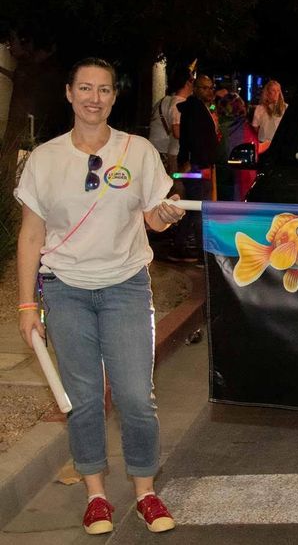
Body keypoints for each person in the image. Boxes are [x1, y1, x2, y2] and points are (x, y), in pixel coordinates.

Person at [14, 57, 185, 536]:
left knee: (136, 396)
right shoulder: (44, 159)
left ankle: (146, 491)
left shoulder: (138, 151)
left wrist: (167, 216)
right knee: (83, 399)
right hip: (66, 292)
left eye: (104, 89)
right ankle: (95, 495)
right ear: (69, 93)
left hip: (126, 286)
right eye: (85, 88)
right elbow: (32, 235)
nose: (94, 98)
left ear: (113, 96)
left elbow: (152, 218)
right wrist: (27, 305)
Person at [173, 75, 219, 261]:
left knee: (195, 208)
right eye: (205, 88)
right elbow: (195, 140)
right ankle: (199, 250)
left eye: (211, 88)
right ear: (196, 89)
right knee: (199, 208)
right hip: (197, 166)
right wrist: (200, 164)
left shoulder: (199, 108)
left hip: (199, 164)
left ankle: (182, 246)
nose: (209, 91)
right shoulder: (194, 109)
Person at [148, 71, 191, 174]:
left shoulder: (164, 101)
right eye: (192, 81)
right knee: (174, 182)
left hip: (158, 147)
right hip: (164, 147)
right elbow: (177, 131)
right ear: (186, 83)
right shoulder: (178, 103)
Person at [252, 79, 287, 147]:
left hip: (280, 143)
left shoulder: (285, 108)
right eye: (273, 90)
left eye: (278, 90)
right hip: (264, 143)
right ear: (267, 92)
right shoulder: (260, 108)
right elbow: (255, 128)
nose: (276, 93)